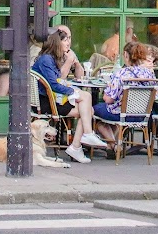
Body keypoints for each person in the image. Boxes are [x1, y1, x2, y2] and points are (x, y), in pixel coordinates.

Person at [32, 30, 108, 164]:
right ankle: (83, 139)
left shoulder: (50, 58)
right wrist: (72, 92)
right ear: (57, 42)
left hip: (52, 98)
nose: (69, 43)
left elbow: (62, 79)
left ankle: (78, 145)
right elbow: (54, 84)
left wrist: (73, 63)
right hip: (47, 102)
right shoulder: (46, 60)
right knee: (86, 102)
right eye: (66, 40)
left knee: (87, 109)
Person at [94, 42, 158, 155]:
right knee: (111, 117)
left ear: (126, 55)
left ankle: (115, 146)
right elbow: (156, 95)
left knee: (94, 111)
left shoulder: (121, 73)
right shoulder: (150, 74)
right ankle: (113, 146)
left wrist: (107, 93)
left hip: (122, 114)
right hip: (142, 116)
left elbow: (109, 99)